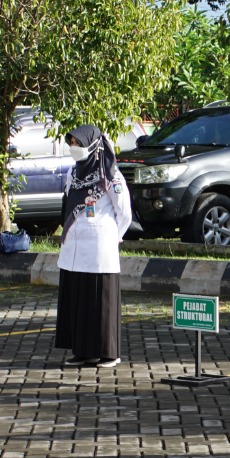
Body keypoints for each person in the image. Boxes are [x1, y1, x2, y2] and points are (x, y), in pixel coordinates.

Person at [55, 125, 132, 368]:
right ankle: (83, 351)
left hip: (100, 245)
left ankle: (108, 353)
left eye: (78, 143)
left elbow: (124, 212)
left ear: (92, 145)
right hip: (75, 245)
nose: (74, 148)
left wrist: (112, 236)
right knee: (79, 298)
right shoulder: (73, 172)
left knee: (101, 300)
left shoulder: (111, 174)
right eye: (72, 143)